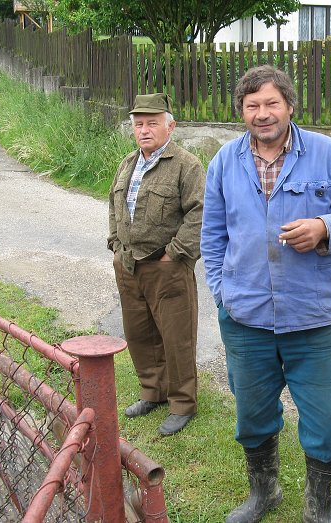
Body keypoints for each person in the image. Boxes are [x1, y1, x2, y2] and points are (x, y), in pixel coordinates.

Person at [201, 65, 331, 523]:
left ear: (290, 106)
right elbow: (212, 235)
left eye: (271, 103)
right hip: (245, 318)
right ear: (242, 111)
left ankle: (319, 511)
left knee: (324, 423)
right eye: (252, 105)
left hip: (312, 318)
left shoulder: (327, 154)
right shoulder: (224, 162)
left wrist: (324, 227)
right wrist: (221, 294)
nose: (262, 114)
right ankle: (265, 493)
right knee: (252, 416)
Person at [108, 92, 205, 436]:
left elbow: (200, 213)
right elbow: (113, 205)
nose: (144, 130)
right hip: (128, 265)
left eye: (152, 123)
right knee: (140, 334)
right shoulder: (128, 163)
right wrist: (115, 244)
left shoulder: (187, 165)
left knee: (177, 338)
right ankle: (153, 392)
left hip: (167, 267)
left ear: (170, 126)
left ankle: (182, 403)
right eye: (138, 124)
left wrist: (174, 254)